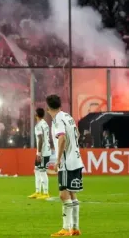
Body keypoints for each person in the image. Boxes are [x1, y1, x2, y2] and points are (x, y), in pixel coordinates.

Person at [46, 95, 83, 237]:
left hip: (67, 163)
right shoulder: (68, 116)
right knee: (72, 194)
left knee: (63, 194)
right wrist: (72, 149)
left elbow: (62, 138)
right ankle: (75, 228)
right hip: (76, 160)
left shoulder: (57, 120)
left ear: (48, 107)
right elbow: (77, 134)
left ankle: (65, 229)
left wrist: (58, 159)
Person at [28, 108, 51, 200]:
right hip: (43, 150)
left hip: (43, 152)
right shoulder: (45, 123)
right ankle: (37, 191)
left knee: (42, 171)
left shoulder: (38, 126)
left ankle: (45, 192)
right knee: (37, 170)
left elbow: (40, 139)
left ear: (36, 115)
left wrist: (39, 153)